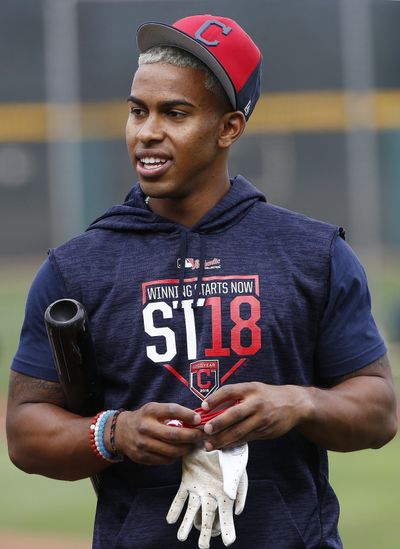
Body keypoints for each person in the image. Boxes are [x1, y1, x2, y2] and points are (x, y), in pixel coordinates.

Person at [6, 13, 397, 549]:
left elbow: (378, 410)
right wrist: (113, 432)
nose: (147, 131)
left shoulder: (314, 253)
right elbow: (26, 431)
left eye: (176, 113)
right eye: (137, 110)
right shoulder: (75, 268)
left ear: (229, 128)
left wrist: (298, 404)